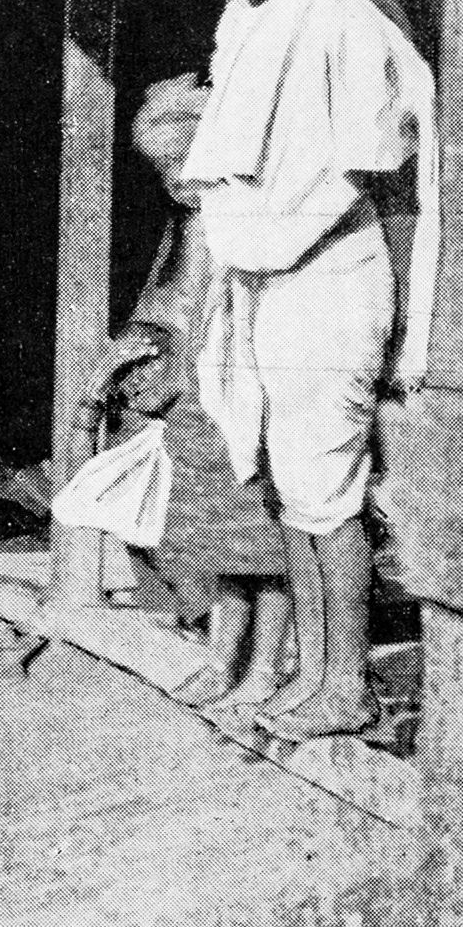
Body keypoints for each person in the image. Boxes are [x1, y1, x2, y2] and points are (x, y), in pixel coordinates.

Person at [169, 0, 434, 742]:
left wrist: (270, 241)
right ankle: (311, 669)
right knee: (285, 488)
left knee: (329, 491)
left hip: (327, 272)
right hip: (264, 279)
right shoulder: (243, 17)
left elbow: (361, 165)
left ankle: (347, 682)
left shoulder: (340, 10)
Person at [92, 75, 298, 710]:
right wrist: (134, 348)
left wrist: (180, 362)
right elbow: (170, 301)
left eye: (180, 163)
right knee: (219, 534)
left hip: (244, 378)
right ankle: (223, 654)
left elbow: (230, 307)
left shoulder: (242, 212)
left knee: (263, 534)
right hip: (198, 383)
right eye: (162, 170)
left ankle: (265, 663)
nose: (171, 180)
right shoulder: (189, 220)